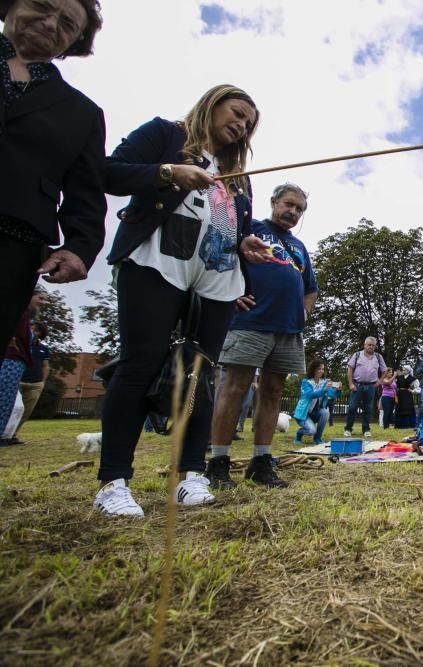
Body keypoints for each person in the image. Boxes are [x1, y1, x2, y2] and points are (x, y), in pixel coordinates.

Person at [95, 85, 268, 517]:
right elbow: (109, 172)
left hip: (215, 278)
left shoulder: (237, 176)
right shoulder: (164, 136)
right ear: (212, 104)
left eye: (249, 121)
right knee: (141, 363)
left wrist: (244, 242)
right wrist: (168, 173)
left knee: (200, 374)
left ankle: (191, 474)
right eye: (237, 112)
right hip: (157, 263)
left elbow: (229, 224)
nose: (242, 124)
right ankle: (113, 481)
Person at [0, 0, 107, 349]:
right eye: (42, 7)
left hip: (12, 247)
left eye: (66, 24)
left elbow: (86, 197)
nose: (50, 24)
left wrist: (79, 248)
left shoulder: (83, 113)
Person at [206, 182, 317, 490]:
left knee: (272, 392)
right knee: (235, 387)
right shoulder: (250, 228)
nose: (293, 212)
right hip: (249, 321)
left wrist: (304, 313)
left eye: (299, 209)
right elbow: (218, 257)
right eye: (288, 205)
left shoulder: (299, 247)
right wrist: (229, 295)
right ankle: (217, 463)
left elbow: (311, 288)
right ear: (274, 202)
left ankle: (261, 462)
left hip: (288, 329)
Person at [0, 289, 45, 446]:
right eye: (40, 298)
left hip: (18, 362)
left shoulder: (26, 319)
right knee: (4, 401)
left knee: (9, 404)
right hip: (10, 361)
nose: (42, 302)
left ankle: (4, 436)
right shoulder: (16, 312)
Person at [13, 320, 50, 442]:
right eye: (31, 329)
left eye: (37, 330)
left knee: (25, 412)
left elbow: (45, 366)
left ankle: (12, 435)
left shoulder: (43, 349)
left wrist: (42, 382)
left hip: (35, 384)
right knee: (13, 408)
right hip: (17, 381)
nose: (33, 332)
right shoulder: (18, 345)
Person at [344, 337, 387, 437]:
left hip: (371, 386)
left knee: (368, 408)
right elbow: (350, 369)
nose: (371, 347)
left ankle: (366, 429)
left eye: (373, 345)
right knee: (352, 407)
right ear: (364, 345)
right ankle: (348, 429)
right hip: (357, 384)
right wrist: (350, 383)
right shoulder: (357, 355)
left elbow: (385, 370)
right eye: (369, 345)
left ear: (375, 346)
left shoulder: (378, 357)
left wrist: (380, 381)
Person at [292, 359, 338, 445]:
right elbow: (310, 395)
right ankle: (299, 434)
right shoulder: (305, 382)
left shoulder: (325, 381)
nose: (321, 371)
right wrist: (324, 389)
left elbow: (332, 394)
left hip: (316, 413)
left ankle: (317, 439)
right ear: (313, 369)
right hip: (304, 414)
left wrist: (337, 390)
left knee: (325, 412)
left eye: (323, 369)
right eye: (319, 369)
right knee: (311, 430)